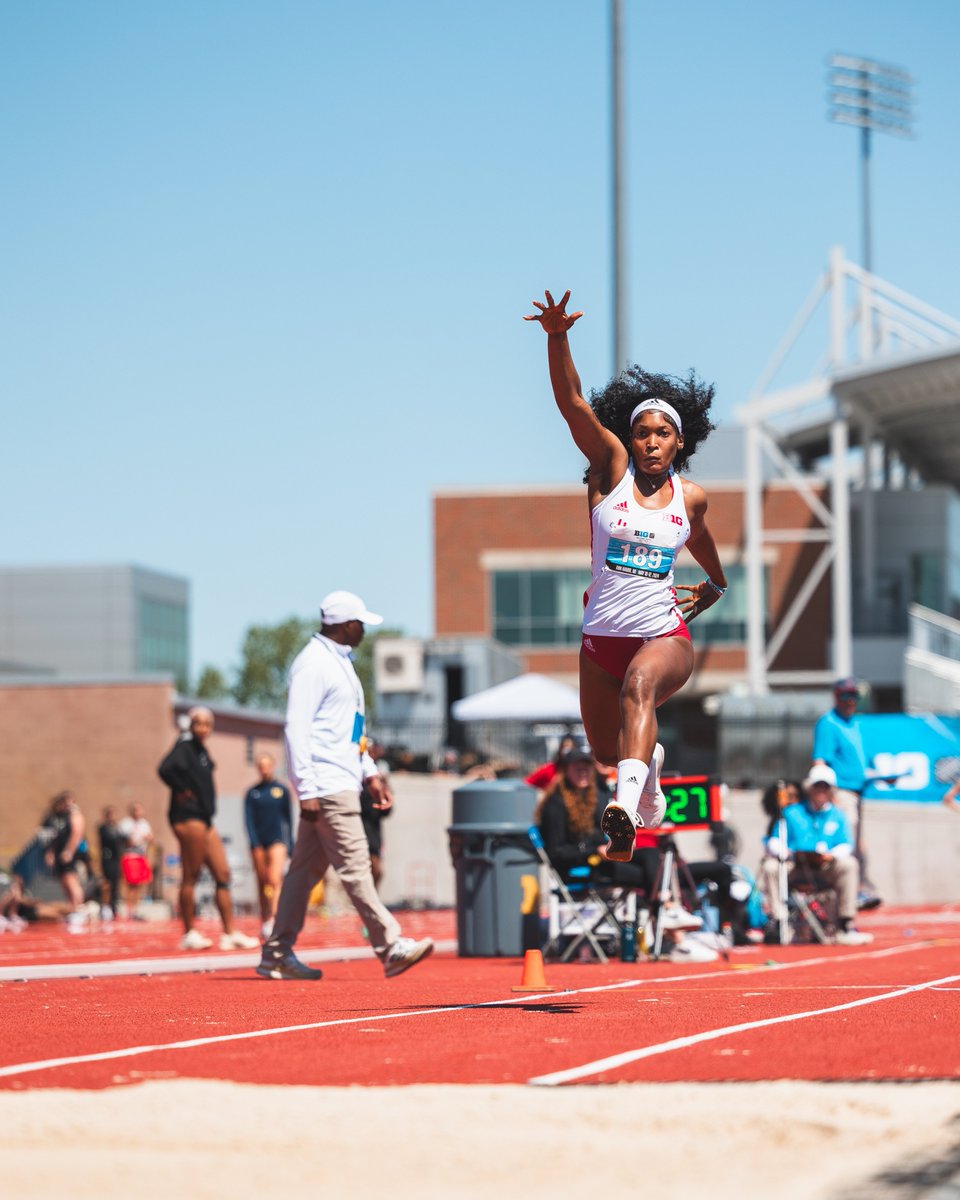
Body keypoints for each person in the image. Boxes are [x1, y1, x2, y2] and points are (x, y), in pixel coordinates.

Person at [526, 289, 727, 861]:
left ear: (679, 442)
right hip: (600, 641)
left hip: (663, 637)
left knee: (641, 689)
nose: (651, 442)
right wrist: (557, 337)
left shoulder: (689, 498)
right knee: (607, 751)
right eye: (643, 433)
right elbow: (572, 405)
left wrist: (716, 586)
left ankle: (624, 814)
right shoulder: (609, 472)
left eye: (663, 434)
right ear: (631, 439)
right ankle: (647, 772)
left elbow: (705, 544)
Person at [256, 591, 434, 981]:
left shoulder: (341, 664)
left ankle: (276, 953)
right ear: (342, 624)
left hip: (341, 780)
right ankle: (390, 946)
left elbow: (352, 732)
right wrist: (305, 789)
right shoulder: (313, 664)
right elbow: (296, 728)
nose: (364, 631)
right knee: (356, 867)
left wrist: (369, 771)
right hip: (327, 785)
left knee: (302, 874)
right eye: (360, 624)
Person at [157, 706, 259, 952]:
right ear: (191, 725)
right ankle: (189, 933)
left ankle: (229, 933)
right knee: (190, 875)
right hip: (188, 818)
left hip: (205, 819)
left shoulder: (201, 749)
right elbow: (165, 769)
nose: (202, 728)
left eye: (206, 724)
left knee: (223, 874)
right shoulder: (185, 744)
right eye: (198, 723)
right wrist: (183, 790)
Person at [759, 764, 873, 946]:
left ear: (831, 791)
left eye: (825, 787)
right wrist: (786, 852)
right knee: (770, 867)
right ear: (809, 788)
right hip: (796, 867)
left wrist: (831, 855)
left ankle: (844, 925)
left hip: (825, 868)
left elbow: (845, 844)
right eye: (817, 786)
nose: (821, 791)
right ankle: (779, 921)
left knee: (849, 864)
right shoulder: (791, 812)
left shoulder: (837, 815)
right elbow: (773, 840)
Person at [812, 677, 885, 906]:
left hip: (858, 791)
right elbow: (820, 761)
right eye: (845, 695)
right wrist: (825, 794)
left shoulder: (853, 723)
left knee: (859, 846)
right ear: (836, 696)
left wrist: (875, 774)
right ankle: (849, 895)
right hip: (841, 792)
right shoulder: (829, 723)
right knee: (847, 845)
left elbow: (858, 761)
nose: (850, 701)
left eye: (854, 696)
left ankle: (857, 890)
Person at [244, 753, 294, 938]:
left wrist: (291, 844)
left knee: (274, 879)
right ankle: (264, 919)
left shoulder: (281, 790)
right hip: (258, 843)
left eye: (267, 765)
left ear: (272, 766)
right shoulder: (252, 793)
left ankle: (274, 919)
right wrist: (254, 842)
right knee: (262, 882)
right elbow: (248, 820)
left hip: (277, 841)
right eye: (260, 765)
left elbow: (288, 819)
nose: (264, 768)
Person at [41, 791, 86, 913]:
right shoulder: (60, 816)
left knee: (70, 878)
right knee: (64, 880)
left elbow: (76, 834)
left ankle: (79, 908)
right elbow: (54, 837)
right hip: (60, 852)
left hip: (69, 853)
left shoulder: (74, 814)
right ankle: (73, 908)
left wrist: (69, 851)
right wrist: (50, 853)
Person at [359, 740, 393, 890]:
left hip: (373, 831)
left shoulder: (378, 778)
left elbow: (385, 811)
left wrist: (384, 790)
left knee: (376, 870)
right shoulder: (357, 777)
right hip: (359, 827)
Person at [118, 801, 154, 916]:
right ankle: (129, 910)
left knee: (139, 884)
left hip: (141, 856)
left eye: (139, 809)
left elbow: (150, 838)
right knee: (130, 885)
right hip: (130, 856)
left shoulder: (144, 824)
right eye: (135, 809)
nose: (137, 812)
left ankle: (135, 910)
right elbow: (126, 841)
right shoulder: (125, 824)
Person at [97, 805, 124, 918]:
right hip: (107, 859)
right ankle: (104, 906)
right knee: (107, 884)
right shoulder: (103, 828)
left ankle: (114, 907)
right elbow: (109, 841)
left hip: (117, 860)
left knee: (116, 884)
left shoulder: (117, 828)